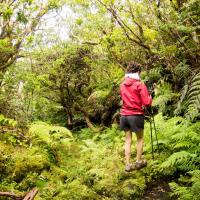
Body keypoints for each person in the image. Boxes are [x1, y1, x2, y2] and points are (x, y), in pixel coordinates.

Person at [120, 62, 152, 172]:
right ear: (138, 72)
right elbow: (146, 102)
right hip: (136, 115)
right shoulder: (139, 84)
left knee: (128, 140)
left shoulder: (122, 84)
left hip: (124, 116)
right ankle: (138, 162)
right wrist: (150, 97)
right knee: (140, 138)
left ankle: (128, 165)